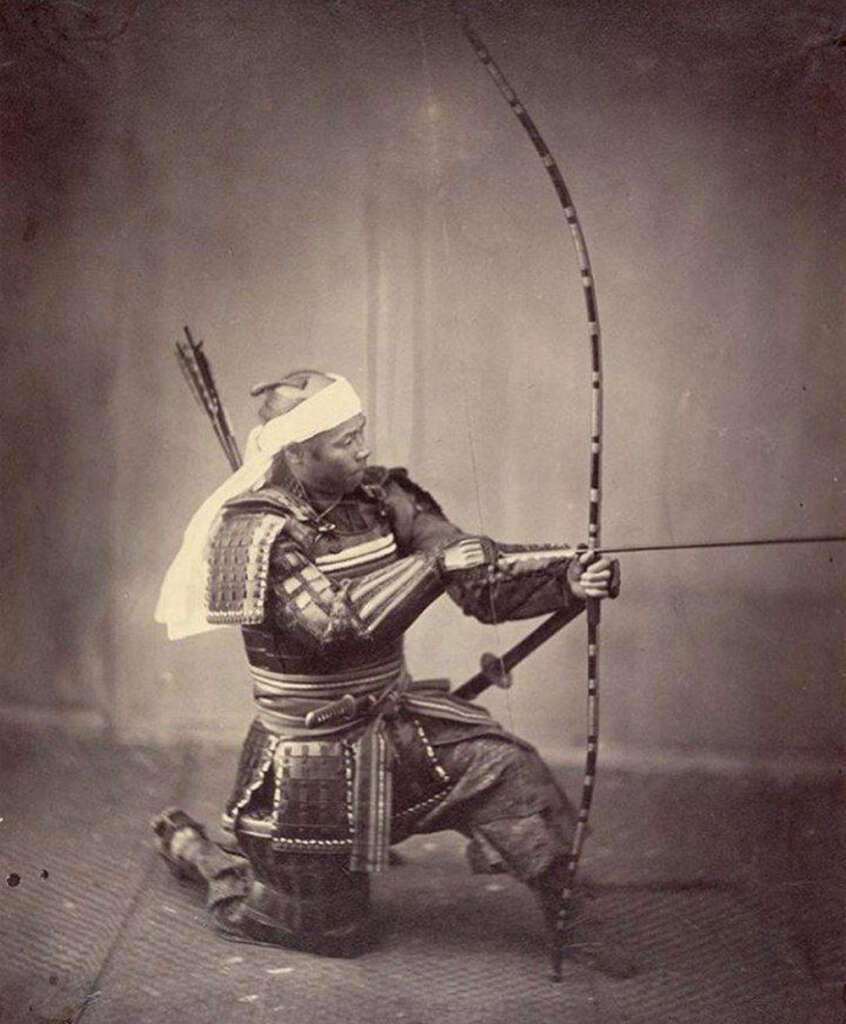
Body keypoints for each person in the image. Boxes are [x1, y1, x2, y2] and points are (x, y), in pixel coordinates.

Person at [153, 369, 619, 958]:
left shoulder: (380, 498)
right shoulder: (254, 532)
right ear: (297, 454)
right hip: (306, 764)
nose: (364, 449)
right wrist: (432, 568)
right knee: (333, 932)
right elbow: (334, 629)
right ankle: (203, 858)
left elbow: (474, 576)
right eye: (346, 442)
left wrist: (567, 579)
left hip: (398, 730)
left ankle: (568, 919)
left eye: (361, 433)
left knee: (510, 771)